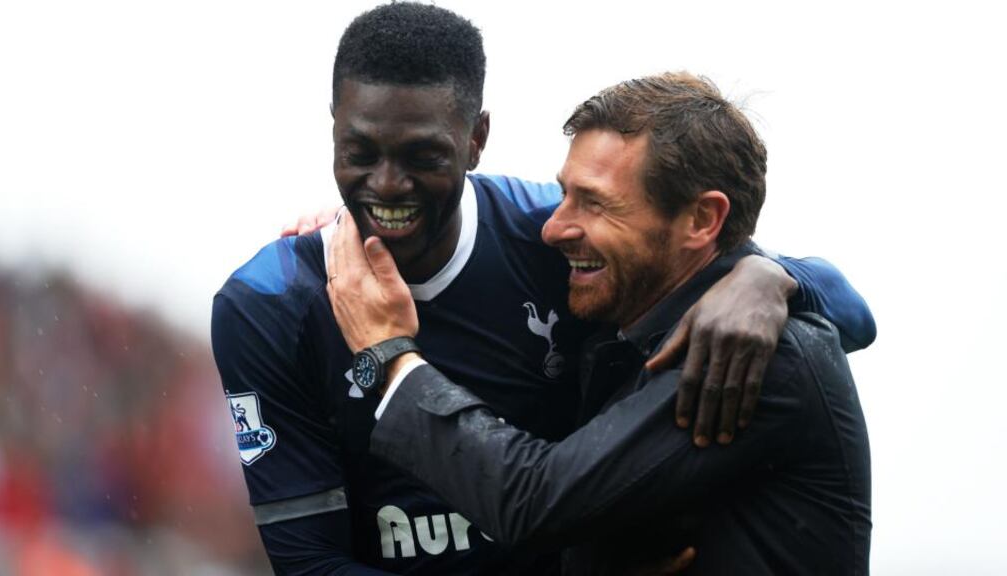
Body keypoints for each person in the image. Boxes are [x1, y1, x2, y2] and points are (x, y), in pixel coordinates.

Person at [211, 4, 875, 574]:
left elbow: (843, 314)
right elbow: (310, 565)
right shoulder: (272, 304)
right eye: (360, 153)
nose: (386, 185)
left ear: (476, 141)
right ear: (332, 127)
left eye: (421, 156)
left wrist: (770, 277)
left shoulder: (566, 253)